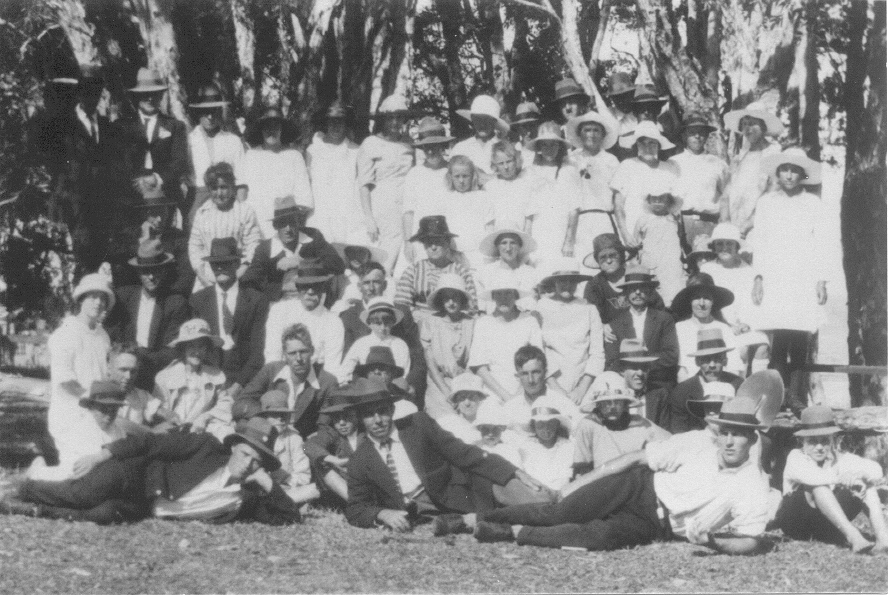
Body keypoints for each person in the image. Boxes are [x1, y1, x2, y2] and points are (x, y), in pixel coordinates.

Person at [446, 397, 773, 556]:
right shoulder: (698, 442)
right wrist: (579, 483)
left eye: (739, 435)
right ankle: (472, 520)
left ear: (753, 438)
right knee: (561, 511)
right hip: (637, 487)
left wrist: (713, 541)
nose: (729, 441)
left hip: (656, 524)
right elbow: (634, 459)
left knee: (599, 538)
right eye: (725, 432)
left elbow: (751, 540)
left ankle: (511, 532)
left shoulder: (754, 485)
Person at [7, 417, 302, 525]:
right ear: (235, 447)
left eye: (256, 462)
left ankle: (32, 511)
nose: (247, 464)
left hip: (145, 505)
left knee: (102, 514)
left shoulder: (244, 499)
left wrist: (267, 483)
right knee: (82, 493)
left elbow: (289, 517)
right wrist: (104, 454)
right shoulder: (207, 447)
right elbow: (151, 443)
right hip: (138, 475)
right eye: (245, 453)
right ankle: (21, 488)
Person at [343, 378, 548, 532]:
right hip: (426, 515)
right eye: (369, 415)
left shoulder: (418, 424)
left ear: (391, 409)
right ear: (360, 419)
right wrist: (383, 513)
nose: (378, 420)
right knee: (526, 519)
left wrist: (513, 471)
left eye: (382, 411)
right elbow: (355, 508)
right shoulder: (360, 460)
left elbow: (463, 452)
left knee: (542, 505)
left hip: (468, 493)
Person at [753, 148, 828, 389]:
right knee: (779, 337)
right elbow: (760, 241)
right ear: (777, 173)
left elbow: (822, 242)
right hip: (776, 274)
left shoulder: (812, 203)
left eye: (795, 171)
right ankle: (777, 396)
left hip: (802, 275)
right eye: (784, 169)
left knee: (799, 336)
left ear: (803, 175)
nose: (788, 175)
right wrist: (758, 278)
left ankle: (796, 396)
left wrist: (821, 280)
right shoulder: (766, 203)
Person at [775, 406, 888, 554]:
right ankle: (854, 537)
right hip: (797, 522)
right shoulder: (796, 456)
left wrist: (860, 474)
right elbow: (813, 478)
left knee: (867, 486)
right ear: (802, 441)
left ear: (833, 440)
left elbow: (876, 471)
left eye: (824, 441)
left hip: (828, 526)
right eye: (812, 442)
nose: (820, 447)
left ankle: (883, 539)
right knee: (818, 487)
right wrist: (843, 479)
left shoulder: (839, 457)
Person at [43, 273, 114, 478]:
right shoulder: (65, 334)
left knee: (109, 460)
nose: (98, 302)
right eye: (92, 296)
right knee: (81, 472)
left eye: (102, 298)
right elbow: (66, 382)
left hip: (99, 411)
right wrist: (91, 400)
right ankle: (38, 473)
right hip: (71, 414)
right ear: (81, 299)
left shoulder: (103, 336)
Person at [106, 239, 191, 389]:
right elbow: (111, 335)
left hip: (156, 374)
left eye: (156, 270)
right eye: (145, 271)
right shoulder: (124, 298)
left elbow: (173, 350)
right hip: (122, 371)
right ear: (138, 272)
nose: (151, 276)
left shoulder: (176, 303)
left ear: (164, 270)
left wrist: (140, 359)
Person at [29, 379, 147, 482]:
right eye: (104, 410)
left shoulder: (117, 429)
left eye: (114, 410)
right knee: (54, 476)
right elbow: (94, 464)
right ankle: (38, 469)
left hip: (101, 476)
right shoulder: (83, 428)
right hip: (74, 474)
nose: (109, 416)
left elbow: (123, 449)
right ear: (91, 407)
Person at [236, 323, 338, 439]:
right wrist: (268, 416)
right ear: (284, 354)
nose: (299, 359)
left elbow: (324, 427)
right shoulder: (271, 371)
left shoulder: (328, 382)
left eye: (303, 351)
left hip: (300, 444)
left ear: (312, 351)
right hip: (267, 435)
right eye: (292, 353)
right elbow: (241, 403)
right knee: (242, 426)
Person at [240, 194, 345, 307]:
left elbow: (337, 264)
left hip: (313, 301)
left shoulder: (313, 237)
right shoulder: (266, 249)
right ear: (275, 226)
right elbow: (249, 281)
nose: (288, 229)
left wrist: (301, 262)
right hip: (280, 304)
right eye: (282, 223)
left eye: (291, 222)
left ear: (298, 222)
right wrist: (280, 288)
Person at [339, 261, 426, 396]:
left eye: (377, 282)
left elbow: (417, 356)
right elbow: (349, 362)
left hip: (398, 386)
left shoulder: (401, 312)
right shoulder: (348, 316)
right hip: (364, 387)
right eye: (366, 283)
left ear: (385, 285)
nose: (371, 288)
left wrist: (408, 386)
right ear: (359, 286)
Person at [701, 222, 770, 374]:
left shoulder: (747, 270)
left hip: (744, 323)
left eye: (729, 244)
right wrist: (728, 325)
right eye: (719, 244)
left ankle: (756, 387)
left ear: (737, 246)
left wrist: (747, 323)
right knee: (742, 350)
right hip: (717, 322)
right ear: (714, 246)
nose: (724, 248)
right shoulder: (707, 270)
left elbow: (751, 302)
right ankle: (739, 386)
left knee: (762, 345)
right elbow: (707, 304)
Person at [357, 95, 415, 273]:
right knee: (384, 254)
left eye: (399, 117)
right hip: (382, 205)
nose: (395, 122)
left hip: (405, 203)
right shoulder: (370, 143)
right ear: (383, 120)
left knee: (405, 252)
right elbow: (364, 184)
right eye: (390, 117)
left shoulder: (408, 144)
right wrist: (369, 218)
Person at [121, 68, 190, 217]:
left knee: (167, 237)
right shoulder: (122, 126)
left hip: (166, 195)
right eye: (145, 94)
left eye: (154, 94)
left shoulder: (175, 126)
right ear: (137, 96)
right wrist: (135, 181)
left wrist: (158, 178)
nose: (150, 99)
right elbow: (117, 162)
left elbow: (180, 161)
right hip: (132, 197)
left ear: (161, 95)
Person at [262, 256, 344, 380]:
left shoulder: (333, 322)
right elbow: (273, 355)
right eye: (305, 286)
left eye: (316, 286)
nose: (310, 292)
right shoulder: (280, 311)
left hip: (317, 379)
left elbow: (332, 367)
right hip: (282, 375)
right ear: (298, 287)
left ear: (323, 288)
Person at [238, 106, 313, 240]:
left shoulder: (294, 156)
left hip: (287, 229)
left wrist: (292, 225)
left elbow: (304, 198)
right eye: (267, 127)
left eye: (275, 127)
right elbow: (243, 196)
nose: (271, 132)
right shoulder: (251, 156)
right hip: (257, 228)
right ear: (261, 129)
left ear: (282, 129)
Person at [573, 372, 670, 474]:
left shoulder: (640, 424)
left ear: (625, 403)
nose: (612, 407)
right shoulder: (589, 425)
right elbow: (581, 465)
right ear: (598, 405)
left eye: (618, 402)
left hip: (635, 480)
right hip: (601, 482)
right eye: (606, 403)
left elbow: (669, 442)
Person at [534, 260, 604, 400]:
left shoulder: (589, 308)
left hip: (584, 384)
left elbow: (597, 352)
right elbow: (539, 350)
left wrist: (581, 389)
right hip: (550, 383)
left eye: (572, 281)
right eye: (562, 280)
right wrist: (556, 388)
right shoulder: (541, 308)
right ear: (554, 282)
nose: (567, 285)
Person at [113, 176, 195, 295]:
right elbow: (122, 277)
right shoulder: (130, 238)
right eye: (153, 212)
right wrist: (141, 245)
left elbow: (186, 278)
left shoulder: (178, 238)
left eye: (162, 211)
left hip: (167, 299)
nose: (159, 218)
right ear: (144, 213)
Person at [152, 318, 232, 439]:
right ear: (183, 348)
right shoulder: (166, 376)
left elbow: (225, 403)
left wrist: (206, 417)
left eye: (201, 347)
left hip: (201, 428)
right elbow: (158, 406)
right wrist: (167, 415)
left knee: (226, 432)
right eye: (191, 346)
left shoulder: (214, 375)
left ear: (207, 348)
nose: (197, 352)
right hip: (173, 430)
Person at [188, 163, 262, 290]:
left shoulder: (245, 211)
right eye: (214, 188)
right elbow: (195, 248)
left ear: (232, 187)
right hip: (208, 279)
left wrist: (238, 275)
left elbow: (252, 245)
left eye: (223, 187)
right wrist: (203, 278)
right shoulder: (202, 213)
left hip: (240, 276)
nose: (219, 193)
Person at [656, 329, 743, 434]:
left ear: (725, 360)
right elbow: (679, 432)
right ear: (697, 362)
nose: (712, 365)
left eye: (717, 359)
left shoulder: (738, 385)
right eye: (706, 360)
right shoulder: (682, 392)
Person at [604, 265, 679, 387]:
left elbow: (671, 356)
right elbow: (612, 361)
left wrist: (642, 365)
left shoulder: (664, 319)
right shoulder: (615, 324)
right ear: (627, 292)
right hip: (626, 384)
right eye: (633, 288)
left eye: (642, 288)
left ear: (649, 291)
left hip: (658, 384)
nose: (638, 292)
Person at [610, 121, 680, 247]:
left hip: (664, 234)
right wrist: (625, 234)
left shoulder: (669, 169)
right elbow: (618, 205)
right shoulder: (627, 166)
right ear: (637, 145)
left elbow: (676, 206)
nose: (648, 148)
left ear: (658, 145)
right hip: (634, 234)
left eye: (652, 143)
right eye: (643, 143)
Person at [468, 283, 543, 402]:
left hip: (526, 390)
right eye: (498, 293)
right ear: (493, 297)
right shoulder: (483, 323)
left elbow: (538, 363)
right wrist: (506, 396)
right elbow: (479, 366)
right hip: (492, 393)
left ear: (516, 295)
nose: (503, 298)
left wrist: (520, 395)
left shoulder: (530, 322)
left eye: (508, 293)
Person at [720, 101, 783, 238]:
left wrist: (747, 225)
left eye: (753, 123)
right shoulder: (739, 157)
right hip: (733, 228)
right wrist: (725, 224)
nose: (748, 129)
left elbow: (772, 192)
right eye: (745, 124)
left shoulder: (774, 153)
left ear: (764, 126)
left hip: (759, 225)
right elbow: (726, 195)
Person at [565, 111, 621, 265]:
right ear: (579, 134)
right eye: (587, 130)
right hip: (579, 222)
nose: (591, 134)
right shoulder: (571, 159)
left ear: (603, 134)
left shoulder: (611, 160)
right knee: (582, 264)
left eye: (596, 130)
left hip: (605, 220)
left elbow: (617, 199)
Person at [185, 83, 245, 223]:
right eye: (205, 111)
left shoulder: (233, 141)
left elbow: (241, 183)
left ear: (220, 110)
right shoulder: (188, 141)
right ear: (197, 112)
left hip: (228, 202)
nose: (210, 116)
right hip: (197, 201)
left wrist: (241, 213)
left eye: (214, 110)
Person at [394, 216, 478, 316]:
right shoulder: (413, 270)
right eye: (428, 242)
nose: (433, 247)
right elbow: (401, 305)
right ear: (424, 245)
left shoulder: (461, 271)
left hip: (453, 324)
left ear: (447, 243)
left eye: (438, 241)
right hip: (420, 325)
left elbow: (471, 307)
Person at [525, 122, 583, 267]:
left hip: (561, 228)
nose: (549, 149)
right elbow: (528, 212)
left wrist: (569, 241)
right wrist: (527, 241)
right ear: (538, 147)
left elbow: (574, 210)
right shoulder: (531, 171)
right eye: (544, 145)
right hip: (539, 229)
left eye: (553, 145)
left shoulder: (569, 170)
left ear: (560, 146)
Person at [420, 273, 476, 418]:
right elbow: (431, 363)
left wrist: (463, 386)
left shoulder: (471, 322)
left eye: (455, 297)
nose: (451, 302)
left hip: (466, 381)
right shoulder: (430, 322)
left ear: (461, 299)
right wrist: (447, 392)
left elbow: (474, 359)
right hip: (439, 383)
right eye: (446, 298)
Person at [306, 101, 361, 244]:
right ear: (326, 123)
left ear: (346, 123)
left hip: (346, 216)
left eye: (340, 122)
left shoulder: (356, 151)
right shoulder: (313, 150)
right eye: (332, 121)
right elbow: (307, 185)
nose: (336, 126)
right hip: (320, 214)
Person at [581, 233, 665, 325]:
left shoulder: (636, 276)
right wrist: (604, 328)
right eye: (603, 257)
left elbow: (658, 308)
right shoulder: (594, 286)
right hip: (610, 335)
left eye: (613, 255)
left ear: (621, 255)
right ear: (597, 260)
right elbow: (590, 317)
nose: (608, 261)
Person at [401, 116, 453, 263]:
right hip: (420, 238)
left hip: (445, 237)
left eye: (435, 146)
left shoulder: (451, 171)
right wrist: (408, 242)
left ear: (443, 146)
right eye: (426, 147)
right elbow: (408, 212)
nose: (430, 152)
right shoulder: (415, 174)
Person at [254, 390, 319, 505]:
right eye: (274, 415)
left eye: (283, 415)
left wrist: (285, 477)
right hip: (260, 489)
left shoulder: (295, 439)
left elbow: (304, 477)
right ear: (264, 417)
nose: (280, 419)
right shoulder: (254, 436)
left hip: (288, 490)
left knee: (312, 490)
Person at [672, 274, 742, 379]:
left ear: (713, 301)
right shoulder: (680, 328)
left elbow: (734, 366)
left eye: (706, 298)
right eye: (696, 298)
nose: (701, 303)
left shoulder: (724, 328)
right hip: (689, 386)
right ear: (690, 302)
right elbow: (681, 368)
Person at [502, 346, 581, 439]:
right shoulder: (509, 409)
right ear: (518, 376)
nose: (531, 380)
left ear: (545, 373)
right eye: (524, 373)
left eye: (535, 372)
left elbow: (578, 438)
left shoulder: (563, 404)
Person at [671, 113, 727, 243]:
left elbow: (727, 196)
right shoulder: (673, 163)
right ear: (684, 136)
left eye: (701, 133)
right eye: (692, 132)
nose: (697, 136)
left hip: (710, 222)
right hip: (681, 223)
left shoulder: (718, 164)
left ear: (707, 136)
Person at [303, 388, 366, 503]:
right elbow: (307, 445)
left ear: (356, 415)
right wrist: (334, 460)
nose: (341, 423)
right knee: (322, 464)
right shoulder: (331, 433)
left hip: (367, 484)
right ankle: (359, 504)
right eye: (337, 418)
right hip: (341, 488)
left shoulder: (366, 433)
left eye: (346, 417)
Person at [438, 156, 495, 269]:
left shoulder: (483, 197)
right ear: (450, 177)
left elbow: (490, 230)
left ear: (473, 176)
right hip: (453, 254)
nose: (461, 181)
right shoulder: (445, 198)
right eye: (457, 176)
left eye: (465, 176)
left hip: (479, 255)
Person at [634, 182, 686, 303]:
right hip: (652, 263)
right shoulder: (643, 220)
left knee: (673, 293)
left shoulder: (674, 219)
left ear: (669, 200)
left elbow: (680, 239)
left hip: (671, 263)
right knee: (654, 295)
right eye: (654, 198)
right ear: (649, 200)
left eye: (661, 198)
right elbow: (637, 243)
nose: (657, 201)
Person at [340, 297, 411, 384]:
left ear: (393, 322)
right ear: (369, 323)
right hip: (366, 388)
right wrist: (347, 383)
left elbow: (404, 373)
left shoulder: (399, 344)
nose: (383, 328)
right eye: (378, 323)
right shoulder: (362, 343)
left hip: (392, 389)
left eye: (387, 323)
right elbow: (345, 369)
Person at [475, 229, 538, 313]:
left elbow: (531, 305)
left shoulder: (529, 273)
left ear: (519, 246)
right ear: (497, 246)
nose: (508, 248)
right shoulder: (485, 273)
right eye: (504, 243)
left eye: (513, 243)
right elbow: (481, 306)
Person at [519, 398, 575, 493]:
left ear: (557, 424)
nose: (546, 429)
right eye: (540, 425)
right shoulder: (527, 447)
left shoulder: (567, 446)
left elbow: (564, 478)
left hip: (562, 494)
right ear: (534, 426)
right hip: (535, 494)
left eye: (551, 424)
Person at [484, 141, 540, 234]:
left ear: (516, 161)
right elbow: (488, 220)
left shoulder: (525, 185)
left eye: (509, 161)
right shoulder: (489, 187)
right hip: (497, 237)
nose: (506, 167)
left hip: (519, 237)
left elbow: (529, 219)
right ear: (495, 165)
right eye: (501, 163)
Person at [106, 343, 163, 427]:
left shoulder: (141, 395)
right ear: (109, 368)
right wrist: (148, 432)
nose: (128, 376)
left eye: (133, 371)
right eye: (123, 369)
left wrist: (172, 417)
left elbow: (161, 412)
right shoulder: (97, 395)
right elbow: (118, 425)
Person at [452, 94, 510, 176]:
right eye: (478, 119)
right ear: (472, 119)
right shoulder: (460, 148)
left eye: (487, 119)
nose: (482, 124)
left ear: (494, 121)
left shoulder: (505, 148)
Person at [436, 373, 488, 445]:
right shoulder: (446, 423)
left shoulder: (490, 423)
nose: (467, 403)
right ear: (456, 400)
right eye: (462, 398)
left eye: (472, 397)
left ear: (480, 398)